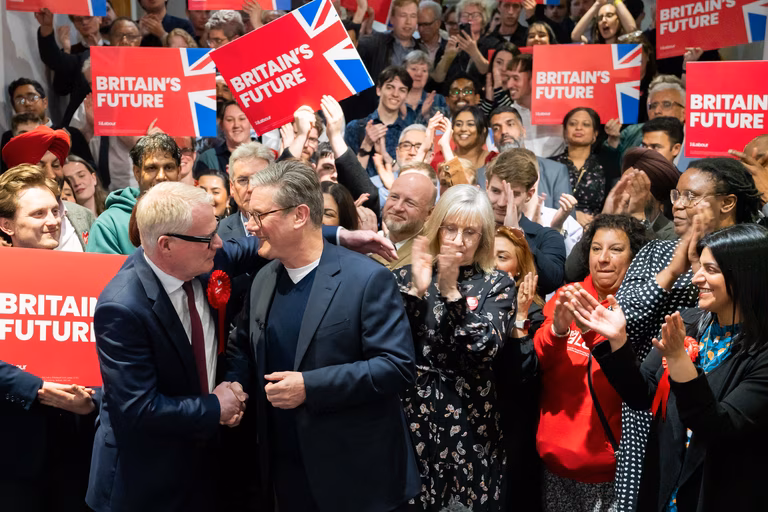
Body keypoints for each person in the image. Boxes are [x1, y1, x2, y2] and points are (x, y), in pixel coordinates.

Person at [224, 160, 419, 512]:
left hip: (356, 478)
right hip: (285, 477)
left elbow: (396, 366)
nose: (250, 227)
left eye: (259, 216)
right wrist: (233, 384)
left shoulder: (367, 279)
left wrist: (310, 386)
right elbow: (243, 347)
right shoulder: (264, 279)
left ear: (299, 215)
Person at [86, 182, 260, 512]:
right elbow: (139, 410)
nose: (219, 243)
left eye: (217, 230)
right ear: (165, 245)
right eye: (208, 237)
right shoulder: (123, 307)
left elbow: (251, 248)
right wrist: (215, 407)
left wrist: (340, 236)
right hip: (144, 483)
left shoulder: (203, 258)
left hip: (200, 471)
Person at [570, 223, 768, 512]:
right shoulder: (688, 322)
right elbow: (641, 394)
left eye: (710, 270)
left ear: (746, 276)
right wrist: (618, 340)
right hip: (664, 487)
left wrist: (678, 360)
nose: (696, 277)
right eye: (699, 266)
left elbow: (715, 426)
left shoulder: (761, 353)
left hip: (720, 493)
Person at [608, 157, 763, 510]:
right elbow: (622, 318)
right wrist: (675, 266)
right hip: (658, 417)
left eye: (691, 196)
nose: (677, 204)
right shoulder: (658, 253)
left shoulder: (755, 257)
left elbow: (722, 422)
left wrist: (701, 264)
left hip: (725, 453)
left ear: (727, 203)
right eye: (676, 195)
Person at [394, 184, 515, 511]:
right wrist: (416, 292)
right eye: (450, 229)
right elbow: (387, 343)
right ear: (437, 228)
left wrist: (451, 294)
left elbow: (485, 347)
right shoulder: (407, 276)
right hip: (413, 415)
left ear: (483, 238)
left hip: (469, 416)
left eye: (470, 232)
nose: (458, 240)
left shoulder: (497, 283)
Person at [534, 214, 649, 511]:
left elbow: (638, 388)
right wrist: (558, 330)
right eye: (596, 249)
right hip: (555, 459)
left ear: (635, 256)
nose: (603, 259)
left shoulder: (640, 311)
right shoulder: (567, 295)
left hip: (610, 470)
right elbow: (541, 362)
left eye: (616, 249)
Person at [486, 148, 567, 295]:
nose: (503, 202)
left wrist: (516, 235)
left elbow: (552, 281)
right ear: (486, 187)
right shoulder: (471, 230)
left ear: (529, 195)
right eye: (496, 191)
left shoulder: (546, 237)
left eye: (514, 194)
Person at [2, 128, 95, 251]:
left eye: (56, 165)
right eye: (38, 213)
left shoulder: (83, 215)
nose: (51, 175)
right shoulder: (4, 227)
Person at [87, 133, 181, 255]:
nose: (161, 176)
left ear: (179, 172)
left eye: (169, 167)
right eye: (151, 168)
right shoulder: (109, 224)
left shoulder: (194, 216)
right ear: (137, 172)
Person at [488, 106, 572, 208]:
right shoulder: (481, 174)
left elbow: (566, 219)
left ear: (523, 131)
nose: (504, 131)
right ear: (493, 137)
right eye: (496, 128)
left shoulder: (555, 172)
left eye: (510, 124)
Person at [1, 78, 92, 172]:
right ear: (14, 108)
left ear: (45, 102)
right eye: (20, 101)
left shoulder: (71, 134)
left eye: (33, 98)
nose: (27, 104)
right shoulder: (9, 138)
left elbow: (90, 170)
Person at [345, 66, 415, 180]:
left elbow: (411, 177)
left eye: (402, 90)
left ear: (407, 95)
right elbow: (348, 177)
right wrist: (366, 144)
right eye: (390, 87)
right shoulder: (355, 127)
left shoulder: (409, 133)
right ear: (378, 90)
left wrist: (385, 156)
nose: (395, 94)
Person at [372, 165, 437, 269]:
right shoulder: (367, 243)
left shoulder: (431, 259)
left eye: (410, 203)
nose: (397, 207)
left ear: (429, 213)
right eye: (394, 197)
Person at [554, 107, 607, 225]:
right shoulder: (549, 165)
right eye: (573, 124)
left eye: (586, 124)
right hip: (556, 226)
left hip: (595, 229)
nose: (578, 128)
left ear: (595, 134)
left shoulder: (606, 166)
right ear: (564, 132)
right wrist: (573, 214)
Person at [507, 54, 566, 158]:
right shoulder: (507, 115)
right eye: (508, 78)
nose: (509, 85)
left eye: (516, 78)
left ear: (533, 78)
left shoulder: (561, 111)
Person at [195, 101, 252, 173]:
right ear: (221, 125)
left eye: (242, 119)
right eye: (229, 120)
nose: (236, 125)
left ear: (251, 122)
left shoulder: (267, 155)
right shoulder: (209, 158)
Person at [404, 51, 449, 123]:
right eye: (414, 69)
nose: (419, 74)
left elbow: (441, 132)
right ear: (404, 71)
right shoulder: (396, 99)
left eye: (424, 71)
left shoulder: (438, 100)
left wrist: (427, 115)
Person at [571, 0, 636, 44]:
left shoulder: (626, 44)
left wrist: (616, 1)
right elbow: (575, 36)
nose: (604, 20)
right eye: (600, 18)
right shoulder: (594, 45)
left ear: (619, 21)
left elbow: (632, 29)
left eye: (609, 15)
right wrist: (597, 4)